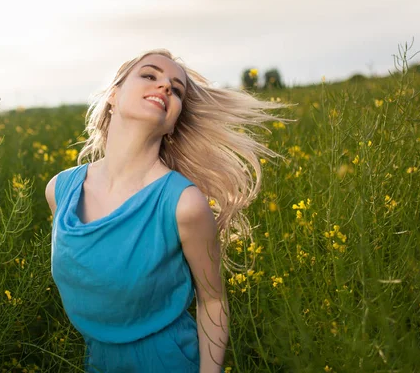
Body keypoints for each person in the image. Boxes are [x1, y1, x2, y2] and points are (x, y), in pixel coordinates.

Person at [45, 49, 291, 372]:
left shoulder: (183, 204)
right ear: (113, 97)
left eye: (176, 90)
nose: (164, 87)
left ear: (173, 124)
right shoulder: (60, 192)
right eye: (149, 75)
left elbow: (214, 301)